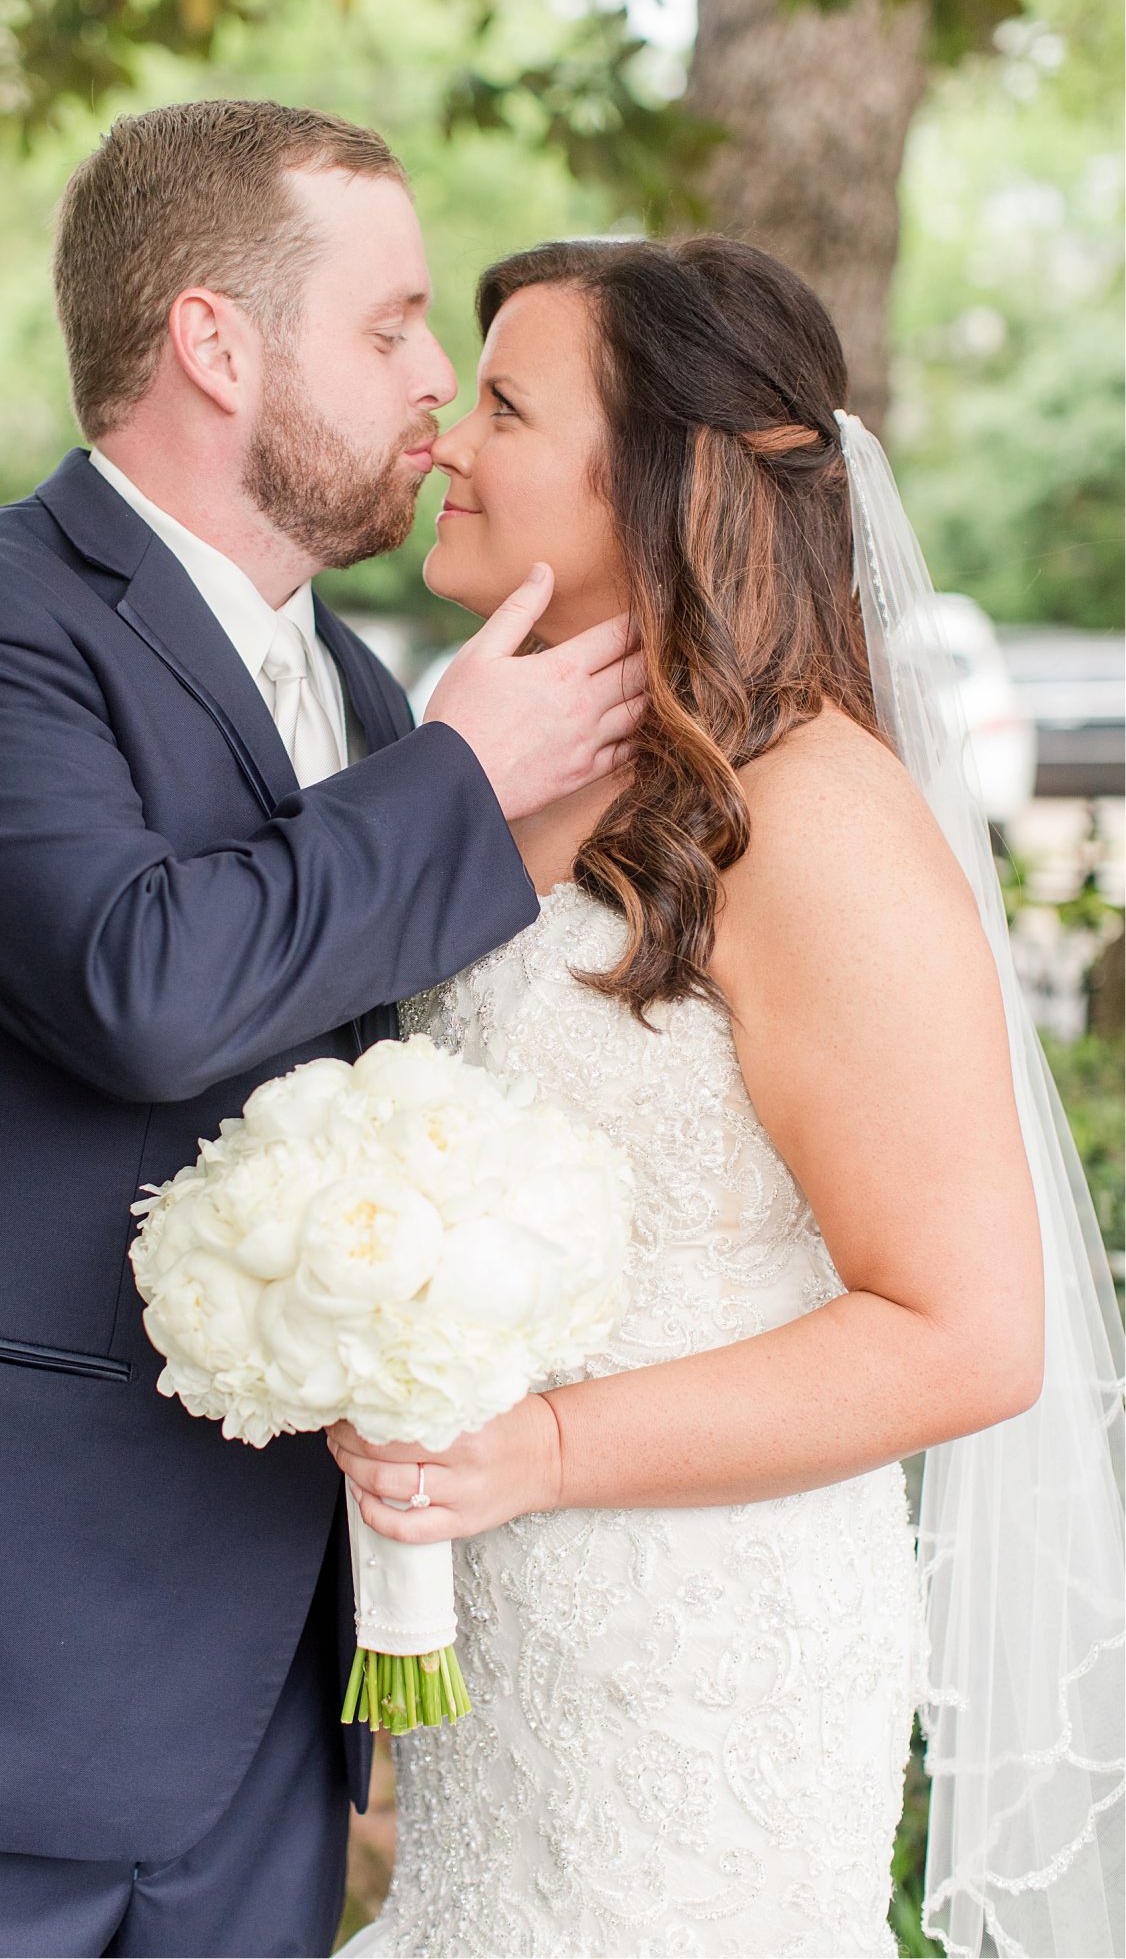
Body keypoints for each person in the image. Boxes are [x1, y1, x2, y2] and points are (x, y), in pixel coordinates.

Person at [0, 103, 644, 1959]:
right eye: (391, 326)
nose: (430, 389)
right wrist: (467, 783)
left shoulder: (365, 691)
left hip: (255, 1713)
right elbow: (141, 988)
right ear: (216, 342)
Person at [332, 236, 1125, 1957]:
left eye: (506, 403)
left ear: (662, 477)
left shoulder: (819, 819)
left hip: (700, 1666)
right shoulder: (495, 769)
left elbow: (965, 1333)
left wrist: (537, 1450)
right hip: (503, 1673)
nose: (444, 440)